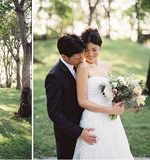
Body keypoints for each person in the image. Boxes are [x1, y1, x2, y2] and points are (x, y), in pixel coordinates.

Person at [73, 28, 133, 159]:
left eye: (94, 49)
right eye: (86, 50)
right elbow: (82, 101)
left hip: (111, 119)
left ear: (100, 47)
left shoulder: (106, 66)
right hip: (93, 118)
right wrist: (109, 110)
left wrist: (117, 103)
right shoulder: (83, 68)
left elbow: (111, 93)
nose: (90, 54)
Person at [45, 34, 97, 159]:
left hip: (87, 122)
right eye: (77, 58)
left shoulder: (80, 65)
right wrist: (78, 132)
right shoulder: (54, 76)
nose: (82, 59)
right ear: (64, 56)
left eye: (82, 54)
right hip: (68, 133)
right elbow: (54, 112)